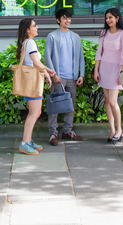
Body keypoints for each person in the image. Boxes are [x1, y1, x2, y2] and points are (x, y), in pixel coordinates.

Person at [44, 8, 86, 146]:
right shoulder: (52, 36)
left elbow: (80, 58)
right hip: (58, 78)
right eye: (64, 18)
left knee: (70, 106)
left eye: (69, 18)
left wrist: (81, 74)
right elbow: (47, 57)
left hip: (72, 78)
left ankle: (67, 131)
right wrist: (53, 74)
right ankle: (53, 134)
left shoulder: (76, 37)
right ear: (58, 20)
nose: (67, 20)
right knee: (55, 107)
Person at [16, 18, 55, 156]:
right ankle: (25, 143)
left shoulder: (27, 42)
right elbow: (37, 64)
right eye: (34, 26)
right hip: (32, 83)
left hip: (32, 81)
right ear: (28, 29)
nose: (37, 27)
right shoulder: (30, 42)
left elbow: (35, 64)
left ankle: (28, 140)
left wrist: (47, 75)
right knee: (34, 113)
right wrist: (50, 71)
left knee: (35, 113)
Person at [92, 8, 123, 144]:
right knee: (107, 101)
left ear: (117, 18)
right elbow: (99, 53)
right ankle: (112, 130)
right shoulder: (104, 33)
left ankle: (119, 130)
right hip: (104, 69)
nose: (108, 20)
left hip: (116, 70)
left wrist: (122, 72)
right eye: (107, 18)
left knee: (113, 101)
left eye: (111, 17)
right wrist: (96, 70)